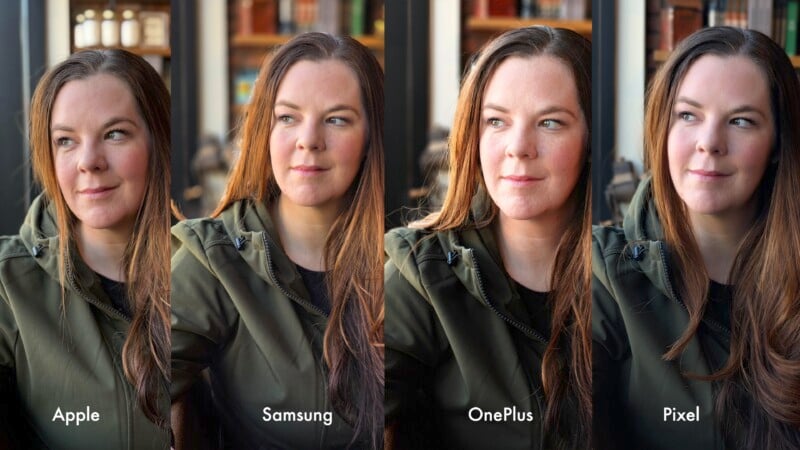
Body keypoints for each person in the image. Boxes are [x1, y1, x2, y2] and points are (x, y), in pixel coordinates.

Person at [170, 32, 384, 450]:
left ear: (371, 139)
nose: (308, 140)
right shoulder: (216, 258)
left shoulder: (406, 259)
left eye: (337, 119)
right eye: (287, 117)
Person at [384, 26, 592, 450]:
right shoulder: (423, 274)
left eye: (550, 123)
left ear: (592, 139)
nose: (519, 147)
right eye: (496, 121)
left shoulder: (634, 273)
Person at [593, 26, 800, 450]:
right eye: (688, 115)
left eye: (741, 121)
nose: (709, 143)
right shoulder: (602, 272)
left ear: (777, 143)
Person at [0, 49, 171, 449]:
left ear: (157, 141)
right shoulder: (9, 283)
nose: (88, 161)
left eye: (115, 133)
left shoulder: (209, 270)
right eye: (66, 141)